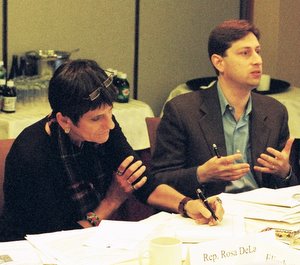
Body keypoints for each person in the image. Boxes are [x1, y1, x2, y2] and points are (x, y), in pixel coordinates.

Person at [0, 59, 224, 242]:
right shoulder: (32, 154)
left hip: (89, 239)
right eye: (96, 118)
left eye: (110, 112)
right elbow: (57, 237)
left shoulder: (105, 128)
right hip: (31, 248)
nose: (109, 124)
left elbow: (142, 181)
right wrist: (111, 201)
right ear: (64, 120)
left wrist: (188, 204)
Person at [150, 19, 298, 199]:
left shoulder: (275, 112)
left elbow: (291, 189)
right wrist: (201, 174)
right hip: (208, 212)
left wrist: (285, 172)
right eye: (245, 53)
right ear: (219, 62)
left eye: (258, 52)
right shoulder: (182, 110)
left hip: (260, 212)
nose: (257, 61)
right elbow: (158, 180)